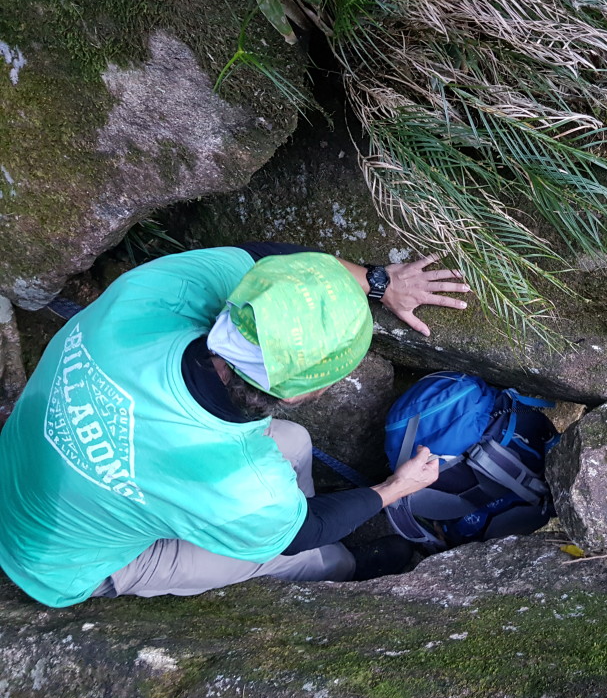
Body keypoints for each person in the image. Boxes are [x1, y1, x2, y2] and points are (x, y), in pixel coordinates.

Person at [0, 243, 471, 608]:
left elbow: (265, 258)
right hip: (58, 562)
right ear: (302, 394)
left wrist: (379, 282)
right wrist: (395, 487)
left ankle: (291, 533)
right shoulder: (240, 483)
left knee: (294, 443)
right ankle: (339, 568)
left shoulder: (153, 294)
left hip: (21, 468)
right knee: (284, 549)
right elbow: (301, 531)